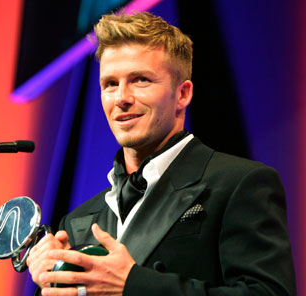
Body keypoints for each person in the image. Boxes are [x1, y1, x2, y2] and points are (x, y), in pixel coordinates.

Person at [26, 11, 296, 295]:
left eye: (141, 80)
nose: (121, 98)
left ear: (183, 94)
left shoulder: (240, 184)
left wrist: (133, 285)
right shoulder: (77, 221)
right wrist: (53, 280)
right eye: (110, 84)